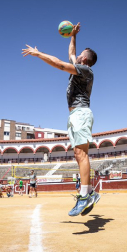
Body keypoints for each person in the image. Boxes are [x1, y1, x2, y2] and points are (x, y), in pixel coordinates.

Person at [22, 22, 100, 216]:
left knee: (81, 155)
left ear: (85, 59)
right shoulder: (81, 66)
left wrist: (38, 54)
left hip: (81, 113)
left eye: (80, 55)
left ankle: (84, 196)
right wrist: (73, 36)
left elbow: (59, 64)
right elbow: (71, 53)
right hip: (76, 114)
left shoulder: (85, 70)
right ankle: (90, 192)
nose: (76, 55)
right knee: (77, 154)